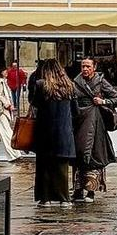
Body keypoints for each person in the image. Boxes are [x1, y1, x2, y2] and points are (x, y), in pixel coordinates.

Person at [72, 57, 117, 202]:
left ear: (94, 67)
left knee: (94, 157)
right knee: (79, 156)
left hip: (96, 124)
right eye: (83, 66)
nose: (85, 69)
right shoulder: (75, 82)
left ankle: (91, 191)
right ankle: (77, 190)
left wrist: (103, 101)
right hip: (80, 122)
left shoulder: (100, 82)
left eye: (88, 66)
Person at [31, 59, 77, 207]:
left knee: (44, 166)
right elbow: (75, 111)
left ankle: (45, 198)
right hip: (64, 133)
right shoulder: (70, 86)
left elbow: (35, 104)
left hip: (45, 131)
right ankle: (64, 198)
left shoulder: (41, 85)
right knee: (62, 168)